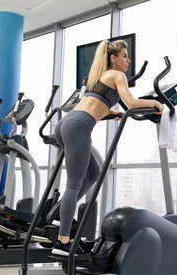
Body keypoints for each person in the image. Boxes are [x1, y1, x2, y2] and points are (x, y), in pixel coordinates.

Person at [52, 39, 165, 256]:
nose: (128, 60)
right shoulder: (117, 75)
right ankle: (63, 241)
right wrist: (156, 104)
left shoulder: (99, 77)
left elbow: (93, 105)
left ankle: (61, 213)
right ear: (113, 58)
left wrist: (111, 113)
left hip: (68, 123)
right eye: (125, 56)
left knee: (93, 173)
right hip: (78, 126)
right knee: (74, 184)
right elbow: (131, 103)